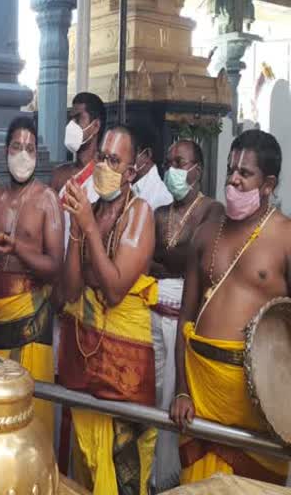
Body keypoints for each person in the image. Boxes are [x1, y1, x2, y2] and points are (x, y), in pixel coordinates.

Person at [170, 130, 291, 486]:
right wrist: (181, 390)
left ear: (268, 184)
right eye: (230, 169)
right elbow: (185, 318)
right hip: (200, 393)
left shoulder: (285, 237)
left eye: (245, 173)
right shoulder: (206, 233)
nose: (233, 179)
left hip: (258, 403)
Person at [60, 125, 157, 494]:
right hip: (84, 359)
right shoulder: (91, 209)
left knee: (122, 474)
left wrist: (87, 225)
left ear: (131, 172)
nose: (104, 165)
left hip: (122, 370)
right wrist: (74, 227)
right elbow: (70, 289)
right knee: (86, 465)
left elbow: (115, 289)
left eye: (114, 160)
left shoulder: (140, 214)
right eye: (101, 156)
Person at [0, 117, 63, 441]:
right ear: (5, 151)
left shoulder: (47, 199)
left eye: (30, 148)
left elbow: (55, 265)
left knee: (32, 419)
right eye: (16, 147)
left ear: (37, 154)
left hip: (32, 320)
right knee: (0, 418)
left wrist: (18, 247)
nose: (23, 155)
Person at [149, 140, 222, 490]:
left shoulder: (212, 210)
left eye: (179, 162)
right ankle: (153, 473)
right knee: (155, 393)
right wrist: (168, 261)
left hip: (188, 315)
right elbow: (148, 259)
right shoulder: (160, 212)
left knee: (176, 396)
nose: (171, 168)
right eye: (168, 161)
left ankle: (173, 478)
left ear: (198, 169)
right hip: (154, 311)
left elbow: (191, 258)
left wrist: (167, 262)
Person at [50, 92, 105, 250]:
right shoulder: (58, 175)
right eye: (70, 119)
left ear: (95, 126)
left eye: (78, 119)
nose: (71, 126)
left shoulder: (105, 175)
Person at [129, 120, 173, 211]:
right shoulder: (124, 184)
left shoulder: (163, 198)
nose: (125, 158)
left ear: (147, 154)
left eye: (130, 152)